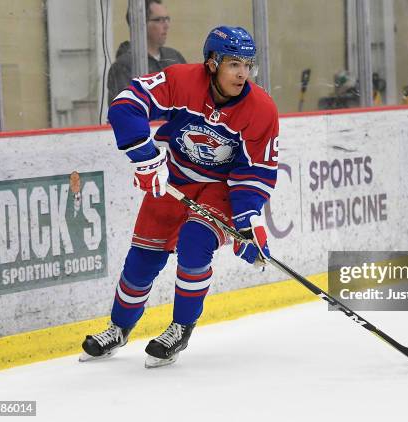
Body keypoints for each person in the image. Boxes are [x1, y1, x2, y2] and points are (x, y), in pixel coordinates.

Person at [80, 26, 279, 368]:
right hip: (175, 177)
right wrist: (145, 157)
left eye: (248, 65)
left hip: (222, 188)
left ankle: (180, 327)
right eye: (234, 64)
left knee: (194, 242)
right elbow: (125, 105)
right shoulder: (182, 80)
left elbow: (255, 172)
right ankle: (119, 327)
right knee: (142, 258)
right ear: (212, 63)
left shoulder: (261, 109)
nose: (243, 73)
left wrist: (247, 225)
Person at [107, 0, 186, 105]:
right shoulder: (124, 66)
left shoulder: (174, 57)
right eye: (159, 20)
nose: (166, 25)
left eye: (167, 19)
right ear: (141, 24)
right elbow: (126, 111)